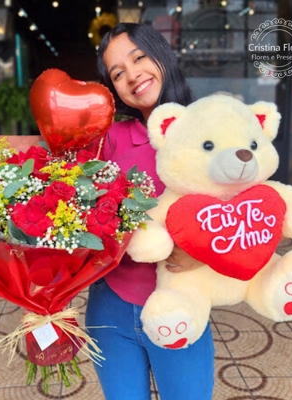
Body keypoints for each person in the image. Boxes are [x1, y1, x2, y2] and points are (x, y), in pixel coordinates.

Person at [85, 23, 214, 400]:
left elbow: (244, 216)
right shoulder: (110, 139)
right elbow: (74, 214)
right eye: (117, 73)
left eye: (139, 57)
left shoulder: (210, 130)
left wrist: (206, 253)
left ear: (161, 54)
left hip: (181, 306)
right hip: (111, 310)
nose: (132, 75)